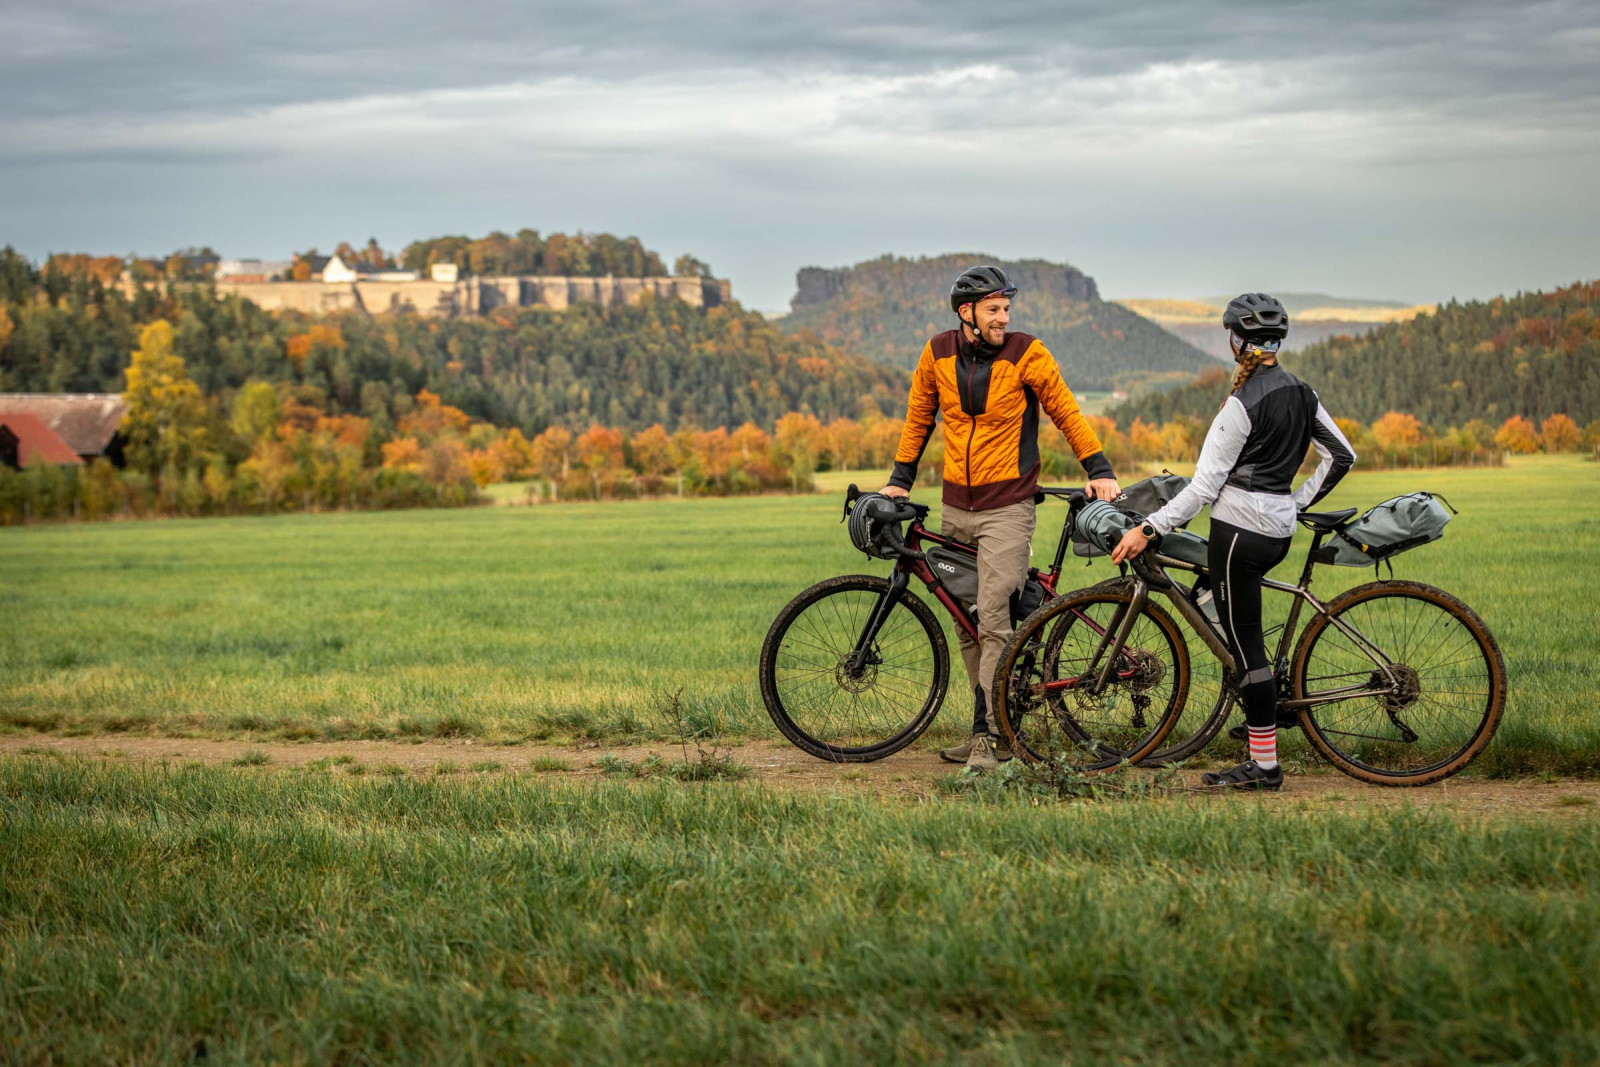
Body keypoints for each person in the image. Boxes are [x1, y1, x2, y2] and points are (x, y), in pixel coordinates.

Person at [881, 264, 1121, 770]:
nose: (1003, 319)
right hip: (955, 507)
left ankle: (989, 737)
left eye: (1007, 309)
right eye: (993, 310)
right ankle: (992, 725)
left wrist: (1098, 467)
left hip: (1008, 508)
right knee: (966, 621)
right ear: (965, 312)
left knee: (994, 619)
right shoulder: (937, 352)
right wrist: (900, 479)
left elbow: (1065, 410)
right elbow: (919, 416)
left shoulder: (1026, 352)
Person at [1112, 292, 1356, 790]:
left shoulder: (1240, 403)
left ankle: (1264, 764)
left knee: (1247, 650)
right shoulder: (1302, 392)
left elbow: (1202, 489)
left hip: (1239, 534)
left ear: (1236, 342)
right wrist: (1298, 502)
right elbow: (1342, 455)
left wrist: (1148, 528)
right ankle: (1259, 706)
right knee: (1224, 607)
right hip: (1276, 532)